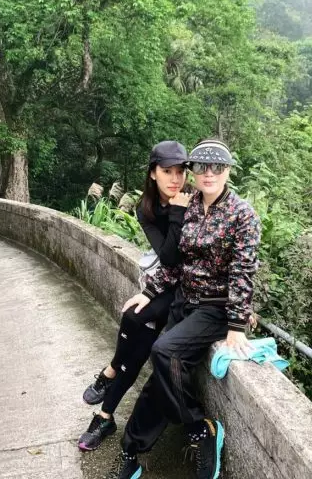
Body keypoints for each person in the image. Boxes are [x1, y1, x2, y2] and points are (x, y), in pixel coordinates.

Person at [106, 138, 261, 479]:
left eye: (217, 166)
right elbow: (176, 263)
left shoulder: (242, 214)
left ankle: (200, 429)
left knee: (163, 352)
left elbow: (243, 270)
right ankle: (131, 451)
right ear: (194, 171)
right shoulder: (190, 207)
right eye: (202, 166)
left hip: (215, 307)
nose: (209, 173)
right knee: (158, 383)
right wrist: (150, 292)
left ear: (228, 171)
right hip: (184, 301)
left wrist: (237, 324)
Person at [78, 140, 192, 452]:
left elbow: (175, 259)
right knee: (133, 319)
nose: (175, 179)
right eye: (167, 171)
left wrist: (178, 212)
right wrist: (150, 291)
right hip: (169, 282)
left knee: (139, 330)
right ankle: (107, 407)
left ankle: (108, 388)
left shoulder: (192, 202)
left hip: (189, 288)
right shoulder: (147, 208)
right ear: (153, 173)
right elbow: (167, 257)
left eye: (180, 171)